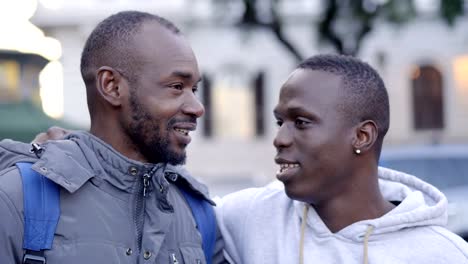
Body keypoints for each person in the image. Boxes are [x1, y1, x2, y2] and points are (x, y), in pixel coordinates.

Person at [0, 11, 225, 263]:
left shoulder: (198, 212)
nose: (198, 107)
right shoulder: (17, 198)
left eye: (194, 89)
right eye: (177, 87)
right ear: (111, 86)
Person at [215, 54, 468, 263]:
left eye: (301, 122)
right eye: (280, 122)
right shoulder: (248, 218)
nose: (279, 138)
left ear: (362, 136)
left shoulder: (443, 255)